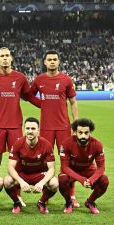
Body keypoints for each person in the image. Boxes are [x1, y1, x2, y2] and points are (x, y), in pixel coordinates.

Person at [0, 47, 40, 206]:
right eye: (2, 56)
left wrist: (47, 105)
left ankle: (17, 194)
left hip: (15, 125)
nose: (5, 58)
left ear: (11, 58)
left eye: (7, 55)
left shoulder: (20, 78)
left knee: (17, 160)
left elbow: (28, 96)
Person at [30, 50, 79, 207]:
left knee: (68, 161)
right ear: (44, 62)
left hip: (63, 127)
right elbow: (29, 95)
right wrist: (42, 104)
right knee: (45, 162)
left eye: (54, 59)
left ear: (59, 62)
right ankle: (47, 194)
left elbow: (73, 102)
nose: (52, 62)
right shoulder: (39, 80)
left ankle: (72, 196)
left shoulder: (66, 80)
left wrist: (76, 124)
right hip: (45, 128)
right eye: (49, 59)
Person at [4, 117, 58, 214]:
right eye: (27, 128)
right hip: (23, 174)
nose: (30, 131)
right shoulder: (18, 143)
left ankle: (41, 202)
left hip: (39, 174)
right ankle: (17, 202)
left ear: (38, 131)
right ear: (24, 129)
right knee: (7, 181)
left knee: (54, 184)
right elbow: (10, 167)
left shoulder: (46, 144)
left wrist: (42, 182)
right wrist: (21, 181)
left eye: (33, 129)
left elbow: (51, 168)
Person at [58, 118, 109, 214]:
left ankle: (90, 202)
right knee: (62, 179)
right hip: (71, 169)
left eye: (86, 133)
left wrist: (91, 179)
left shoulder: (97, 144)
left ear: (90, 132)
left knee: (104, 180)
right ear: (75, 132)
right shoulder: (66, 143)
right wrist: (81, 179)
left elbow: (101, 168)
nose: (83, 136)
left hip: (88, 169)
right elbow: (64, 167)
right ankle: (69, 203)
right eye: (80, 132)